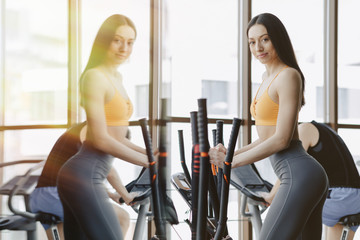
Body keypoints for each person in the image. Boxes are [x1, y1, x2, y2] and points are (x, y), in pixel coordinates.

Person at [209, 13, 328, 239]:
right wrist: (231, 154)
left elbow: (282, 139)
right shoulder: (266, 77)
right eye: (252, 42)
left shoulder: (289, 76)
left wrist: (232, 162)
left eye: (264, 39)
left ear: (277, 39)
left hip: (300, 173)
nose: (258, 47)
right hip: (298, 174)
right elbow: (266, 138)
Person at [57, 14, 150, 240]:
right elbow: (99, 139)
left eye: (130, 42)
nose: (124, 48)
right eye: (117, 40)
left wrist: (148, 154)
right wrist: (145, 162)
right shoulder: (94, 77)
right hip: (83, 176)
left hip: (84, 175)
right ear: (104, 41)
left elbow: (115, 137)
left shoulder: (116, 77)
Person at [29, 122, 138, 239]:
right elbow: (110, 172)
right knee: (123, 218)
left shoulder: (82, 130)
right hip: (58, 194)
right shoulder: (96, 135)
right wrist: (125, 195)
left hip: (41, 197)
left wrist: (112, 195)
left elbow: (87, 178)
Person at [260, 120, 360, 240]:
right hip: (352, 197)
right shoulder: (321, 129)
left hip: (339, 196)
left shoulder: (305, 129)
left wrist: (271, 196)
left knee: (294, 211)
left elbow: (290, 169)